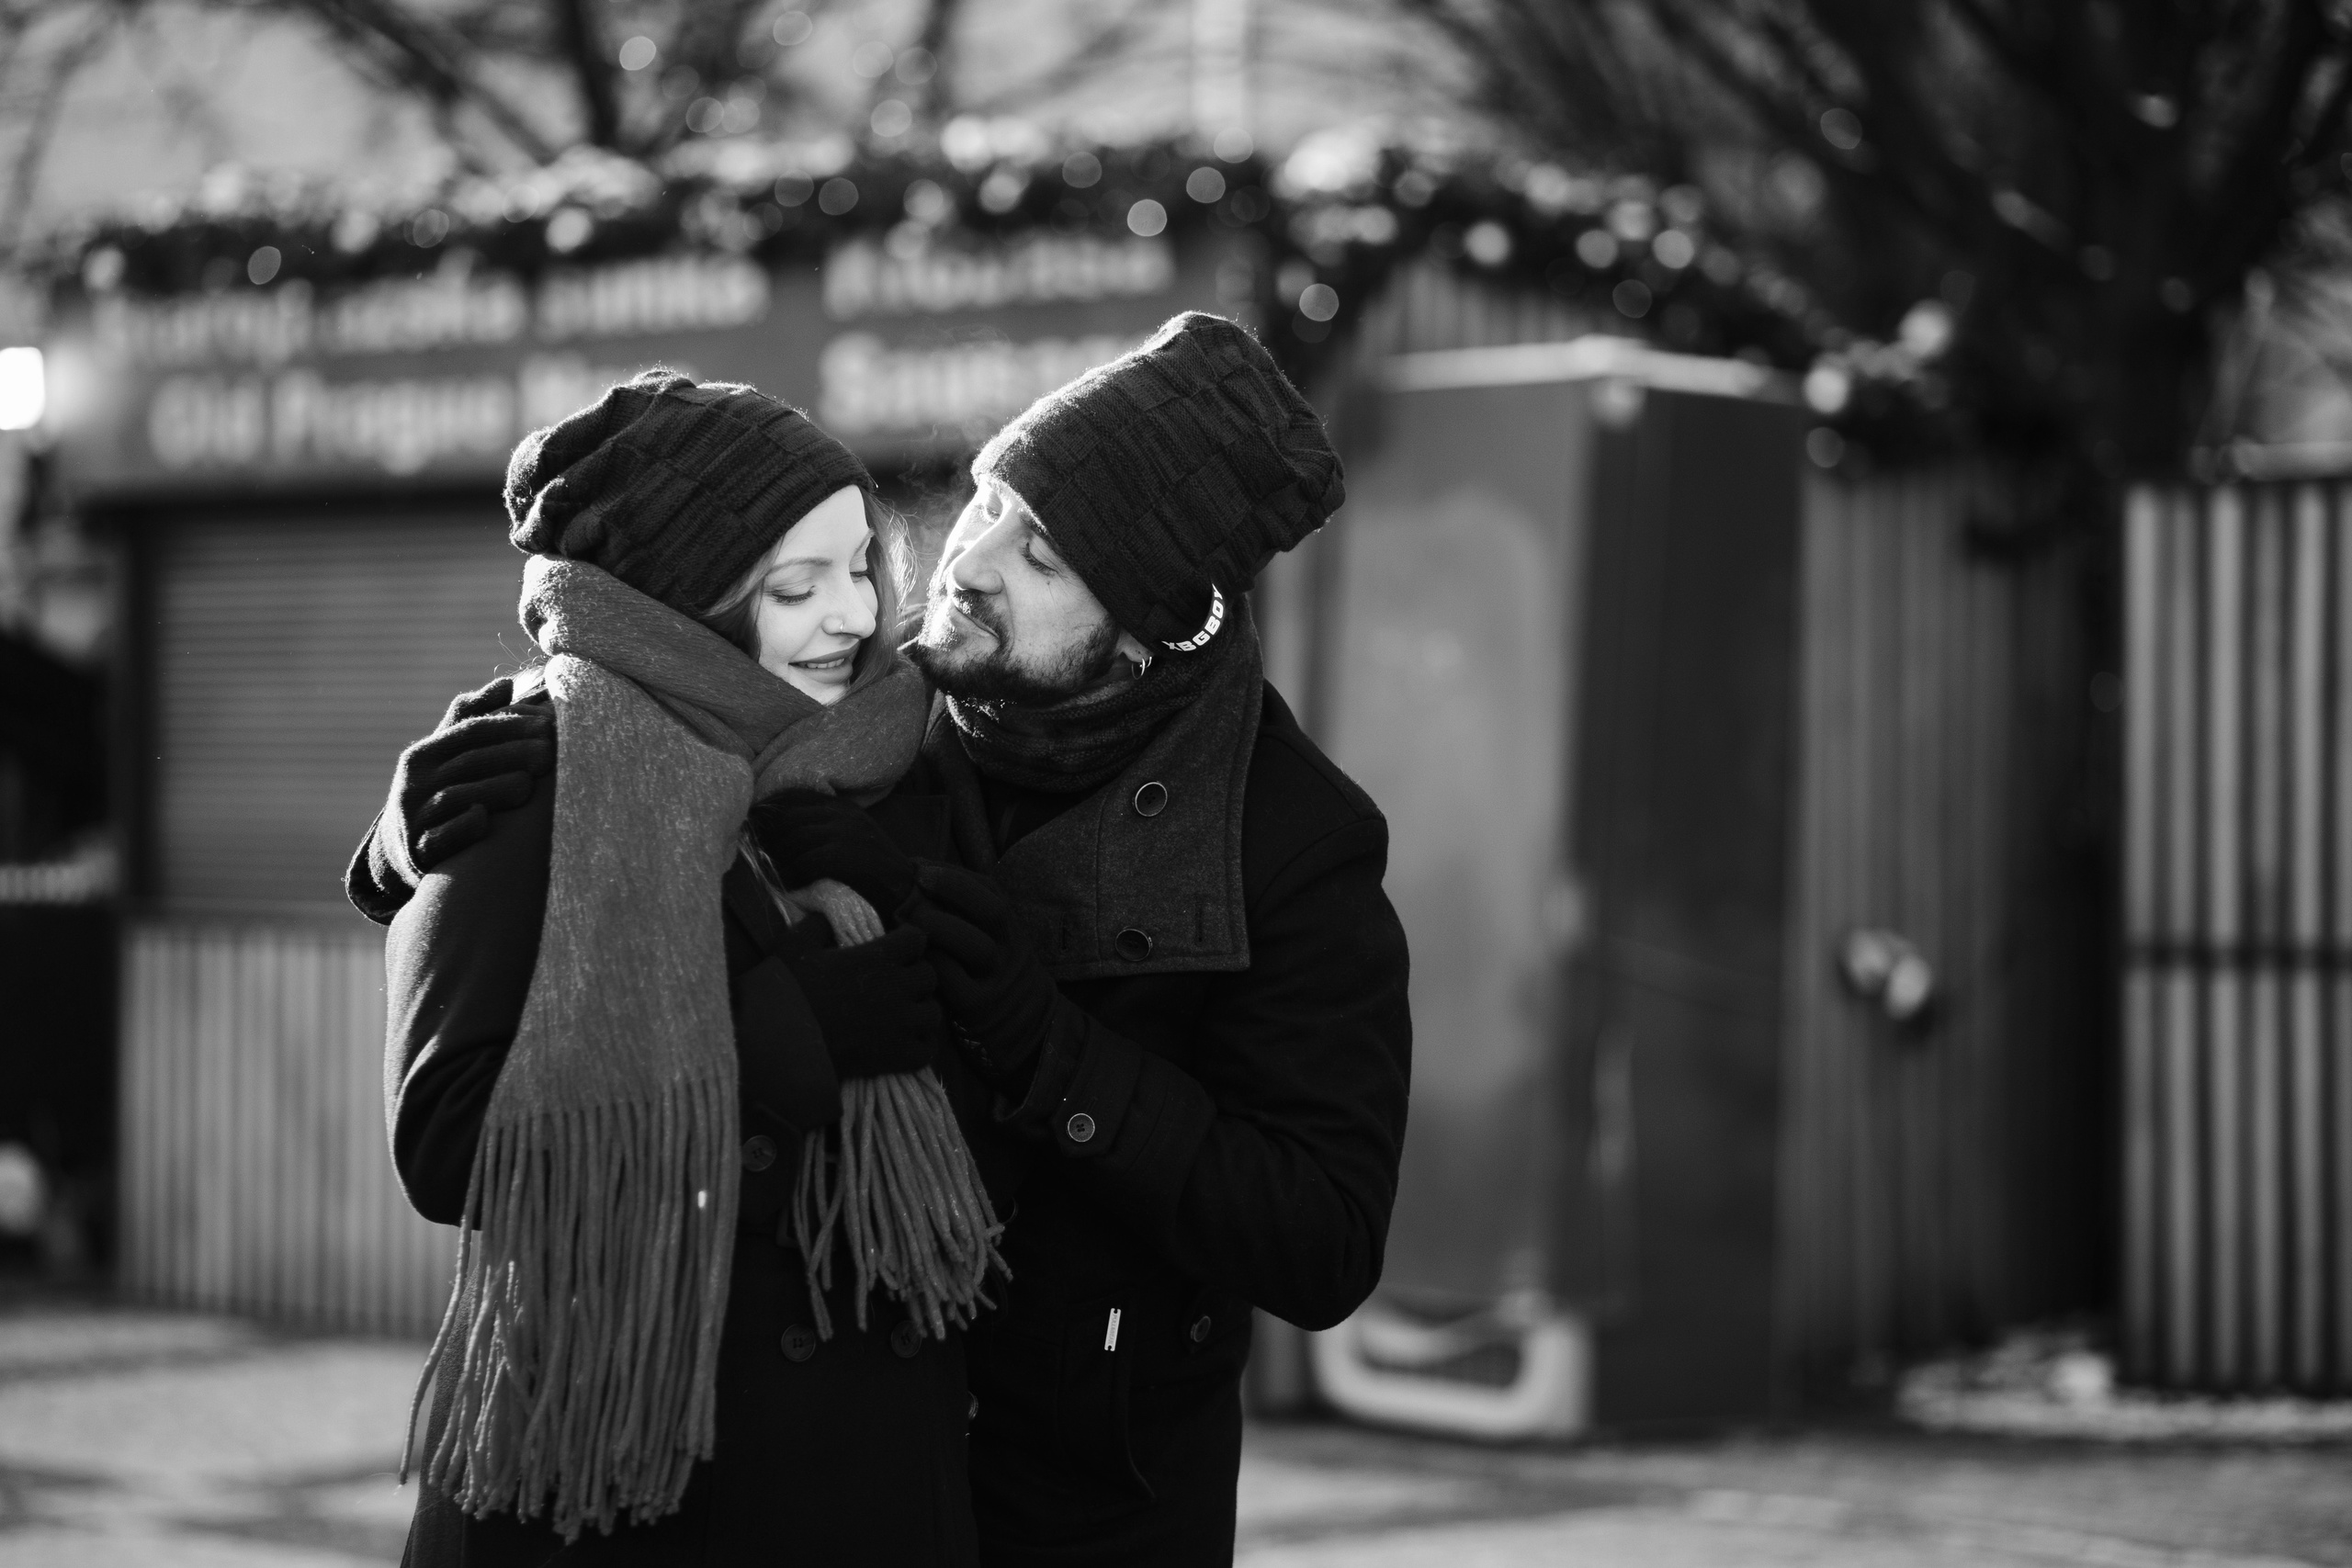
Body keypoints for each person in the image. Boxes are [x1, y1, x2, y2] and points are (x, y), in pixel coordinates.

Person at [355, 315, 1414, 1568]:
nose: (968, 564)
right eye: (990, 503)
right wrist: (405, 842)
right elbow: (628, 778)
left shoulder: (1289, 841)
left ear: (1149, 629)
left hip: (1077, 1494)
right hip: (800, 1465)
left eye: (1046, 555)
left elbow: (1321, 1239)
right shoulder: (884, 712)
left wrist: (1052, 1054)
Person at [378, 370, 1004, 1566]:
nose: (855, 618)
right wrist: (783, 1035)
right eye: (795, 586)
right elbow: (449, 1141)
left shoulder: (889, 757)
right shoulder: (530, 773)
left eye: (861, 567)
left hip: (863, 1490)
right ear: (679, 602)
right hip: (621, 1489)